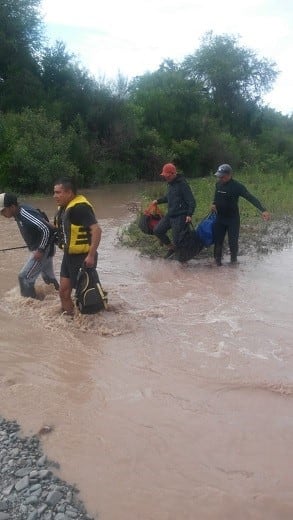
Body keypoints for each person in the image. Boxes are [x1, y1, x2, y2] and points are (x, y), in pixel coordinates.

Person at [53, 177, 102, 315]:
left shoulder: (80, 208)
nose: (55, 196)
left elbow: (97, 230)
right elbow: (63, 230)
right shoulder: (64, 208)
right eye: (54, 192)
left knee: (85, 296)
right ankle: (72, 321)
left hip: (83, 257)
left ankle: (93, 325)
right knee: (63, 292)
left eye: (58, 192)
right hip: (69, 256)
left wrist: (91, 255)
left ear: (69, 193)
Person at [0, 192, 59, 298]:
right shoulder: (18, 213)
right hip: (45, 247)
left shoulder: (24, 213)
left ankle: (30, 306)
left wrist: (40, 250)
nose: (2, 214)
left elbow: (46, 229)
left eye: (3, 210)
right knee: (48, 279)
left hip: (42, 250)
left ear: (12, 207)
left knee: (24, 278)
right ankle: (60, 297)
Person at [211, 163, 270, 266]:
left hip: (232, 219)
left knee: (233, 242)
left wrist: (263, 210)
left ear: (229, 175)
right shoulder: (218, 184)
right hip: (220, 218)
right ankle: (217, 263)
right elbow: (216, 198)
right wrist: (213, 204)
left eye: (222, 176)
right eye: (219, 176)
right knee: (218, 241)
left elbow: (250, 197)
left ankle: (233, 263)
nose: (220, 178)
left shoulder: (237, 187)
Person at [152, 163, 196, 258]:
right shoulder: (170, 184)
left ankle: (181, 260)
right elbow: (168, 197)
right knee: (157, 230)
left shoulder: (183, 184)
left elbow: (191, 201)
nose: (166, 178)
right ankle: (171, 248)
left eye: (167, 176)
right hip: (171, 214)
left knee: (178, 240)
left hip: (180, 216)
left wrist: (189, 214)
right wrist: (158, 201)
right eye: (164, 176)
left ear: (173, 174)